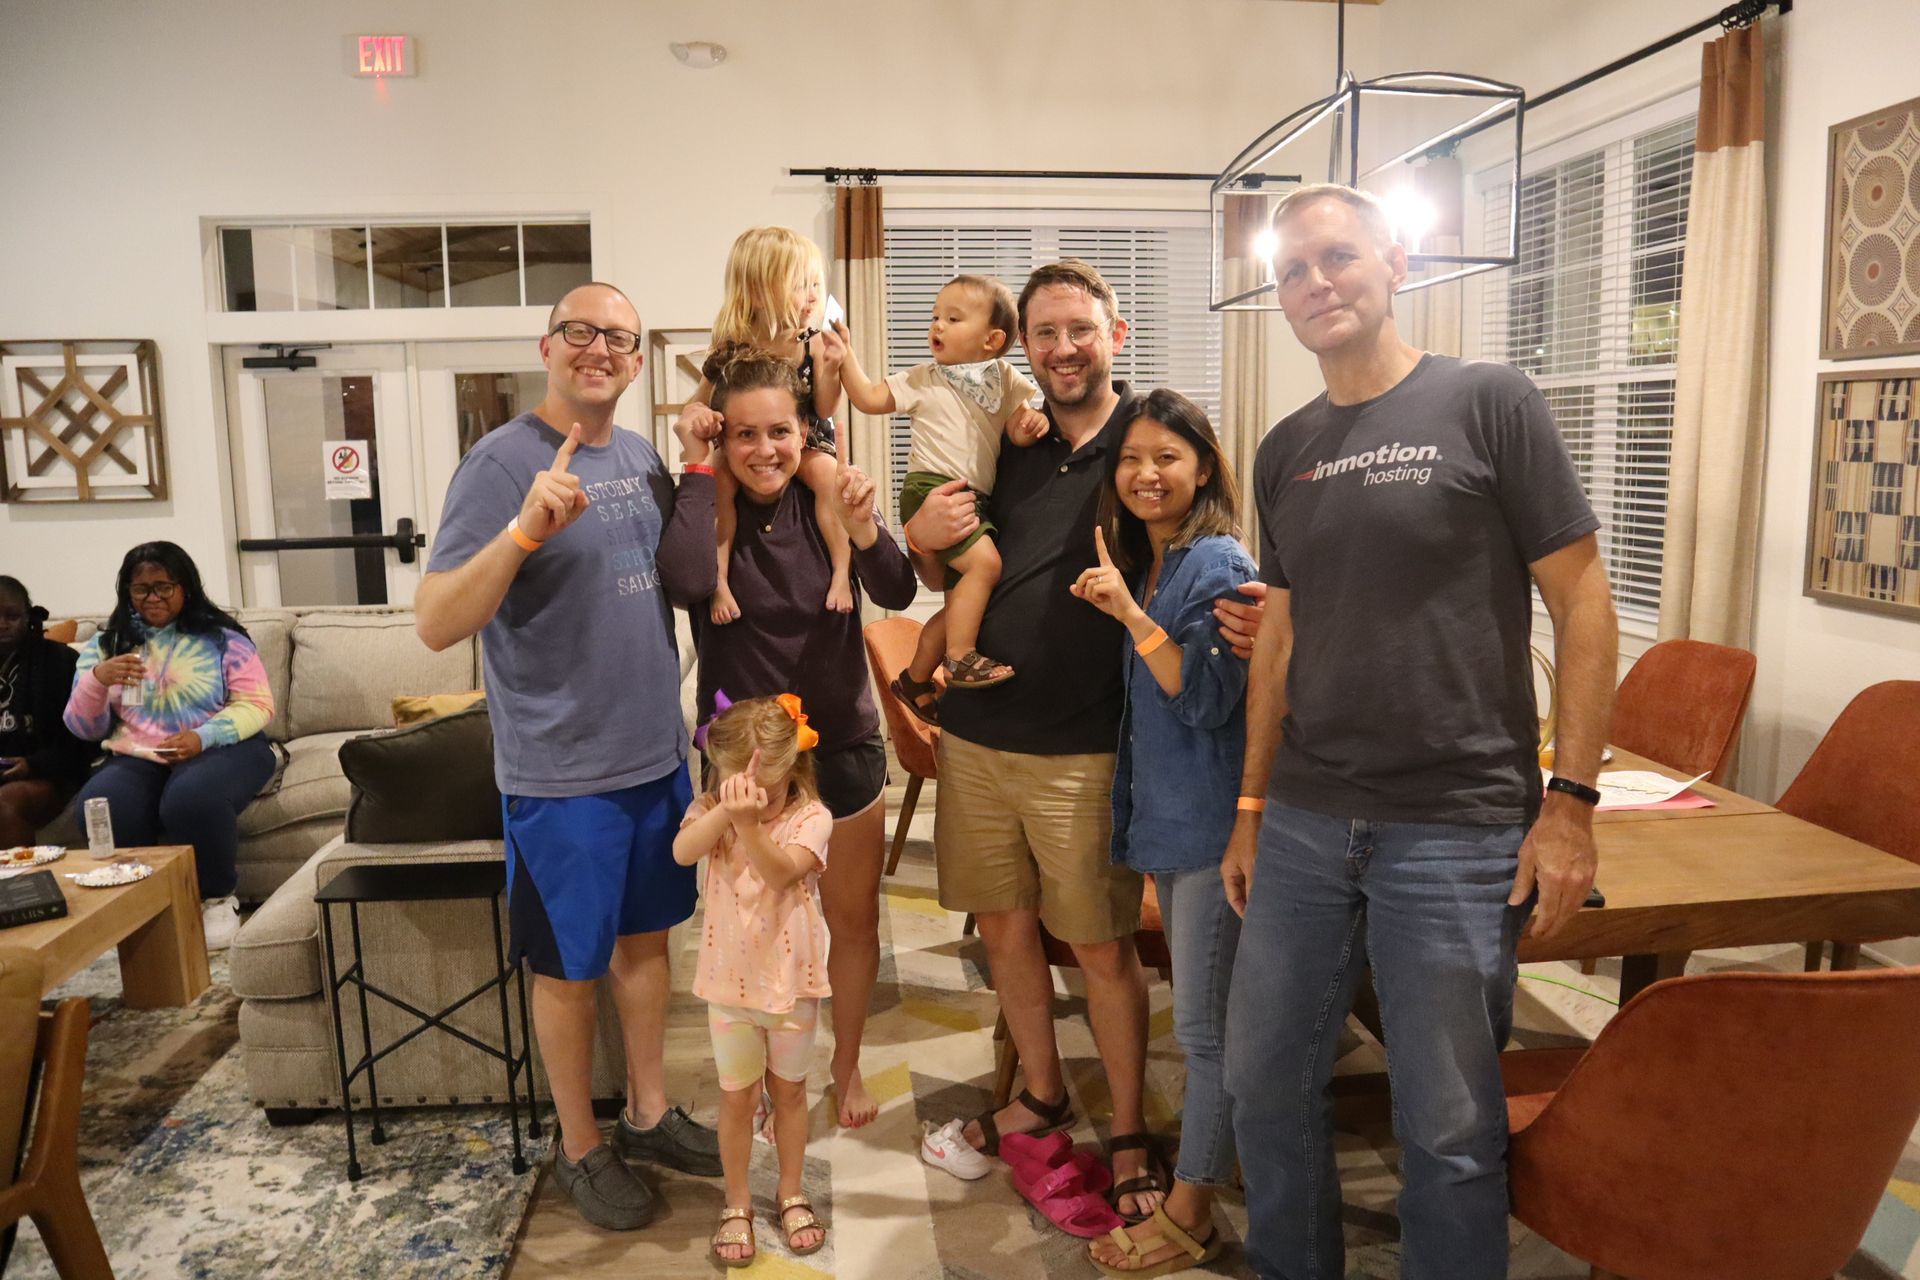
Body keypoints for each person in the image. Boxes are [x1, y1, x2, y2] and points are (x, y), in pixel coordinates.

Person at [1221, 184, 1618, 1280]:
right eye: (1292, 272)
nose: (1316, 283)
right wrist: (1251, 804)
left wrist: (1571, 805)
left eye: (1338, 257)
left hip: (1455, 826)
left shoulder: (1488, 401)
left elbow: (1584, 600)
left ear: (1395, 261)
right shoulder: (1286, 448)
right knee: (1263, 1080)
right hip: (1307, 818)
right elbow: (1280, 638)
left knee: (1446, 1124)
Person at [903, 261, 1265, 1218]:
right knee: (1005, 928)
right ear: (1020, 344)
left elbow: (1200, 546)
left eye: (1080, 330)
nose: (1063, 349)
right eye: (1045, 332)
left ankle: (1131, 1130)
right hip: (976, 735)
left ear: (1116, 333)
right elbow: (941, 563)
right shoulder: (1005, 433)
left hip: (1086, 746)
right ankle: (1041, 1093)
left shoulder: (1138, 442)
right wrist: (919, 534)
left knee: (1101, 946)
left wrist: (1261, 612)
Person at [414, 281, 723, 1231]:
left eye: (619, 338)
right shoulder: (498, 464)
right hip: (561, 779)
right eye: (580, 332)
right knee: (568, 969)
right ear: (545, 346)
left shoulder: (638, 456)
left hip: (653, 761)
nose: (600, 349)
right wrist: (521, 534)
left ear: (636, 361)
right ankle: (580, 1145)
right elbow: (436, 623)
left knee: (646, 945)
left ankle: (648, 1113)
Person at [689, 347, 918, 1130]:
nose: (764, 451)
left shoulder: (827, 496)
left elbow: (896, 587)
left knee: (852, 923)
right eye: (744, 435)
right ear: (722, 437)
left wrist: (866, 524)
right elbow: (682, 581)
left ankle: (845, 1070)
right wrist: (695, 469)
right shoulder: (707, 507)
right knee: (749, 928)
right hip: (744, 758)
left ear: (804, 431)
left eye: (779, 431)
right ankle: (758, 1082)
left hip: (842, 742)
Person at [1069, 390, 1254, 1275]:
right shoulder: (1157, 559)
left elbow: (1207, 698)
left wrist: (1133, 620)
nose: (1146, 474)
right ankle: (1211, 1168)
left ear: (1204, 467)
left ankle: (1190, 1213)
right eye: (1132, 459)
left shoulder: (1216, 562)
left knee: (1208, 1031)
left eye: (1167, 458)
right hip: (1177, 821)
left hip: (1212, 831)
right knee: (1204, 1022)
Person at [825, 274, 1050, 717]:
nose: (938, 325)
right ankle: (960, 658)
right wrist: (845, 353)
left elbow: (1017, 430)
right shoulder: (924, 377)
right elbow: (868, 397)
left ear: (992, 340)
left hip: (974, 497)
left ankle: (914, 679)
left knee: (962, 602)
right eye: (935, 316)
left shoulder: (1005, 379)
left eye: (953, 318)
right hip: (929, 489)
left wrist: (1031, 427)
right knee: (986, 566)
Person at [672, 695, 833, 1267]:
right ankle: (737, 1200)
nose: (751, 798)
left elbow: (783, 872)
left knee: (789, 1093)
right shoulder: (714, 809)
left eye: (762, 787)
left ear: (791, 768)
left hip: (792, 985)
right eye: (737, 782)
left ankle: (791, 1190)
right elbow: (682, 851)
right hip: (729, 987)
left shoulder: (811, 818)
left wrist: (747, 825)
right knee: (737, 1098)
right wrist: (727, 812)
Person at [64, 543, 276, 951]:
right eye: (141, 589)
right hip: (141, 754)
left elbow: (258, 705)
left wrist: (202, 737)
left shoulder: (222, 639)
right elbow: (83, 729)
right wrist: (96, 680)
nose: (153, 598)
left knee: (190, 798)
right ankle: (142, 899)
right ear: (127, 592)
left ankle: (216, 898)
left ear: (185, 588)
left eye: (164, 587)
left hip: (224, 747)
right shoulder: (107, 645)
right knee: (102, 803)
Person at [677, 227, 851, 625]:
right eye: (799, 286)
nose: (812, 296)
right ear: (757, 292)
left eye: (814, 284)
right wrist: (700, 417)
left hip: (805, 439)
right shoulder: (732, 347)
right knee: (719, 482)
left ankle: (842, 571)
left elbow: (824, 407)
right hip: (741, 444)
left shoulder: (811, 342)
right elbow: (695, 404)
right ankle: (719, 579)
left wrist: (832, 369)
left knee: (828, 475)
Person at [0, 577, 96, 847]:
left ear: (29, 616)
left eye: (12, 616)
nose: (2, 624)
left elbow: (80, 740)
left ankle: (24, 876)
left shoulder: (60, 661)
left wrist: (32, 764)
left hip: (49, 774)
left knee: (5, 804)